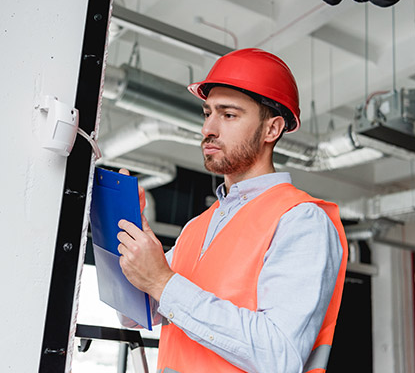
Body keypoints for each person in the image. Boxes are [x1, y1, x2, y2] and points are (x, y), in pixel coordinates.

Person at [116, 48, 348, 373]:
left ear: (272, 129)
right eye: (207, 113)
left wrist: (163, 282)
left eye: (228, 115)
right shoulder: (196, 228)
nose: (208, 128)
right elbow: (133, 314)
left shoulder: (300, 219)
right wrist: (125, 241)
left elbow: (278, 355)